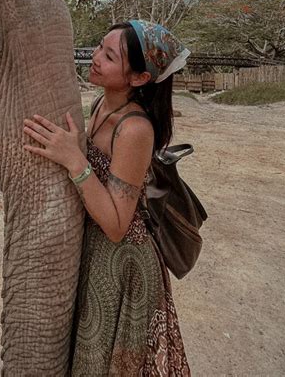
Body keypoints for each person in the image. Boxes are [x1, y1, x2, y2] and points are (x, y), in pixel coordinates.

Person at [23, 20, 191, 376]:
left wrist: (74, 160)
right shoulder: (102, 102)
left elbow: (117, 225)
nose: (96, 58)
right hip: (94, 251)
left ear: (140, 79)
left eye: (110, 56)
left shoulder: (135, 129)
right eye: (100, 47)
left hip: (121, 266)